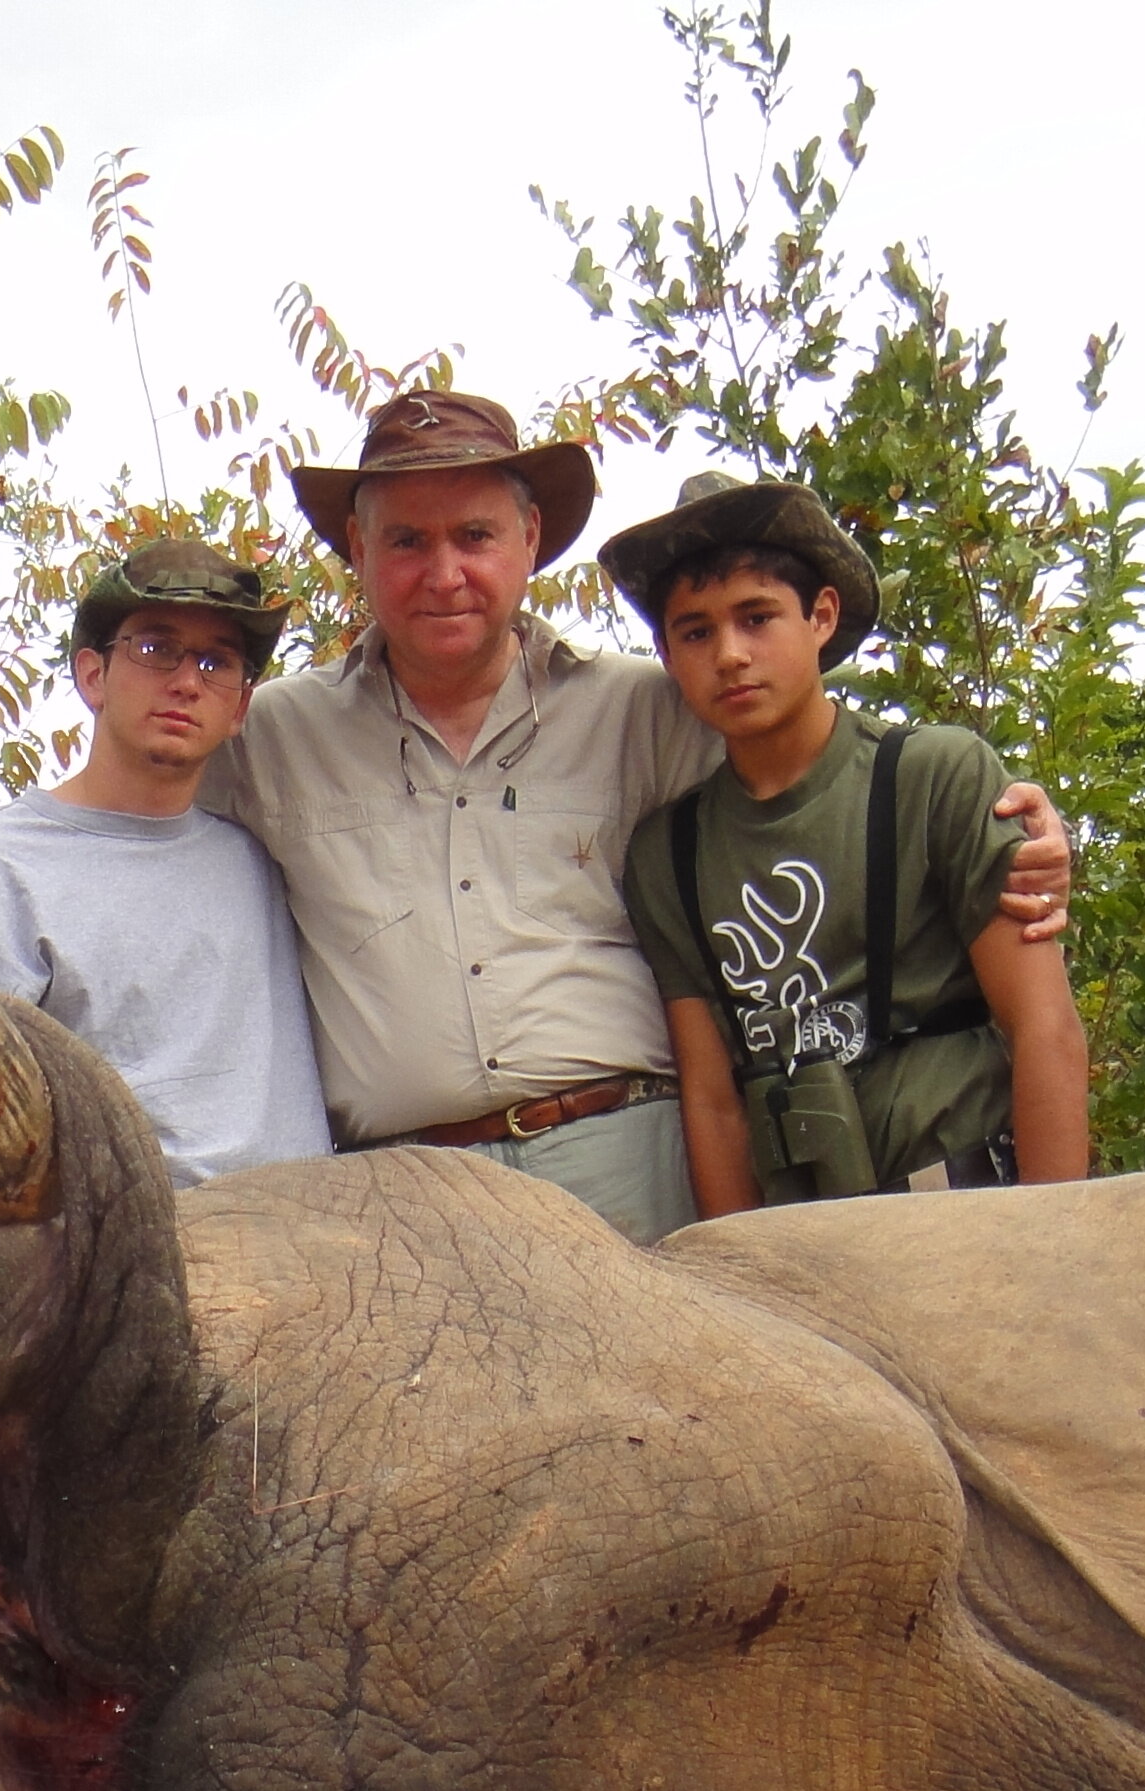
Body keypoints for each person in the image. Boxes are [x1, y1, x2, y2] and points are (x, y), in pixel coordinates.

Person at [202, 389, 1069, 1241]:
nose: (445, 574)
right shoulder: (265, 735)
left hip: (631, 1160)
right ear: (358, 546)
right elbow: (134, 827)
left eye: (475, 536)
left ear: (529, 538)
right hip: (405, 1193)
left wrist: (1020, 825)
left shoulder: (651, 706)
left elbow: (827, 771)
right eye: (406, 541)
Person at [605, 473, 1090, 1211]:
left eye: (757, 617)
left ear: (822, 616)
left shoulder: (934, 776)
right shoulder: (665, 854)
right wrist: (736, 1288)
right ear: (667, 656)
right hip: (805, 1243)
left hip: (967, 1208)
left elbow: (1042, 1025)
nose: (729, 654)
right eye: (696, 631)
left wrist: (1059, 1241)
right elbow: (713, 1100)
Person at [0, 538, 330, 1187]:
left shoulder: (263, 859)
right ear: (91, 675)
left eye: (216, 662)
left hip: (314, 1248)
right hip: (130, 1259)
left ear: (240, 707)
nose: (187, 681)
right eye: (156, 649)